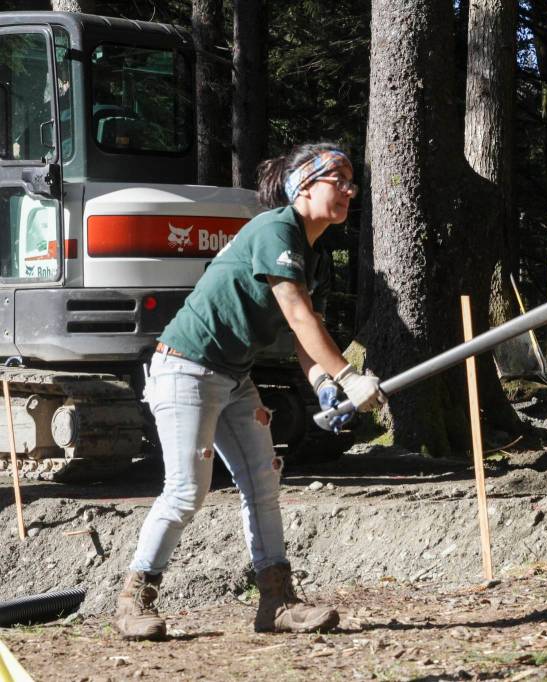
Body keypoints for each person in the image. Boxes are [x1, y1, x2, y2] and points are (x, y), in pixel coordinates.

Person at [113, 142, 385, 640]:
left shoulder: (309, 251)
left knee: (263, 483)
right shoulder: (276, 227)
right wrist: (348, 375)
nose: (350, 189)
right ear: (304, 184)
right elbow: (299, 317)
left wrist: (325, 384)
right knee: (186, 492)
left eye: (352, 182)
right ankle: (134, 598)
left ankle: (276, 602)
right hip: (185, 369)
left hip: (234, 376)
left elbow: (306, 328)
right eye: (338, 179)